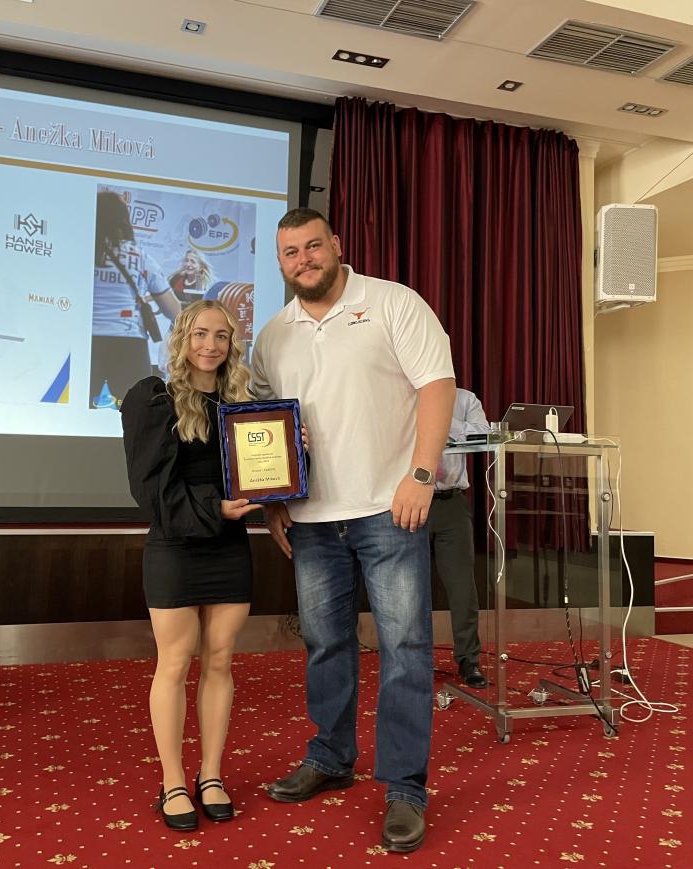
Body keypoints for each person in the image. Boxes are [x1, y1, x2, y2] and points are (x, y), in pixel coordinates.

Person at [252, 208, 456, 854]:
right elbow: (263, 426)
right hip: (311, 519)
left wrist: (420, 474)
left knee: (406, 648)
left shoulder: (394, 303)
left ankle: (405, 787)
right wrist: (272, 503)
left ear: (336, 245)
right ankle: (331, 756)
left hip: (390, 509)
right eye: (291, 252)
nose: (304, 259)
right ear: (280, 263)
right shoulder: (272, 335)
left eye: (314, 246)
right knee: (324, 645)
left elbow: (438, 385)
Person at [120, 300, 259, 831]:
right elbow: (150, 490)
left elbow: (264, 475)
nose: (210, 345)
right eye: (200, 333)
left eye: (221, 336)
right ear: (182, 337)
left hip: (228, 547)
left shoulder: (242, 404)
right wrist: (213, 507)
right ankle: (173, 780)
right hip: (175, 546)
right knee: (174, 663)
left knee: (220, 660)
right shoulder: (153, 398)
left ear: (232, 344)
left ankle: (212, 775)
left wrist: (296, 448)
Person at [90, 190, 181, 407]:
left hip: (88, 343)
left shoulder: (83, 252)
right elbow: (174, 312)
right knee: (136, 414)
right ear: (124, 219)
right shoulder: (139, 256)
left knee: (79, 408)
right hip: (129, 344)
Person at [430, 388, 490, 689]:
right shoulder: (401, 394)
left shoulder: (465, 400)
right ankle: (412, 659)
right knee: (408, 588)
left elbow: (482, 436)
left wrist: (440, 417)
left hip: (451, 502)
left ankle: (469, 659)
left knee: (463, 588)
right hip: (409, 500)